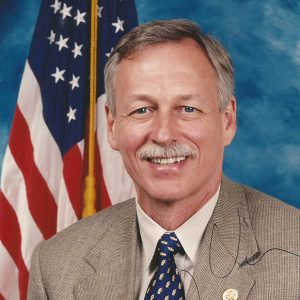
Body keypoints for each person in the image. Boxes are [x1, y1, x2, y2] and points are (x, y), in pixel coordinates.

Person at [28, 19, 300, 299]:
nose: (164, 133)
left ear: (227, 120)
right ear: (111, 126)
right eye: (142, 110)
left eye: (188, 108)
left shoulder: (294, 259)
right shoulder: (57, 266)